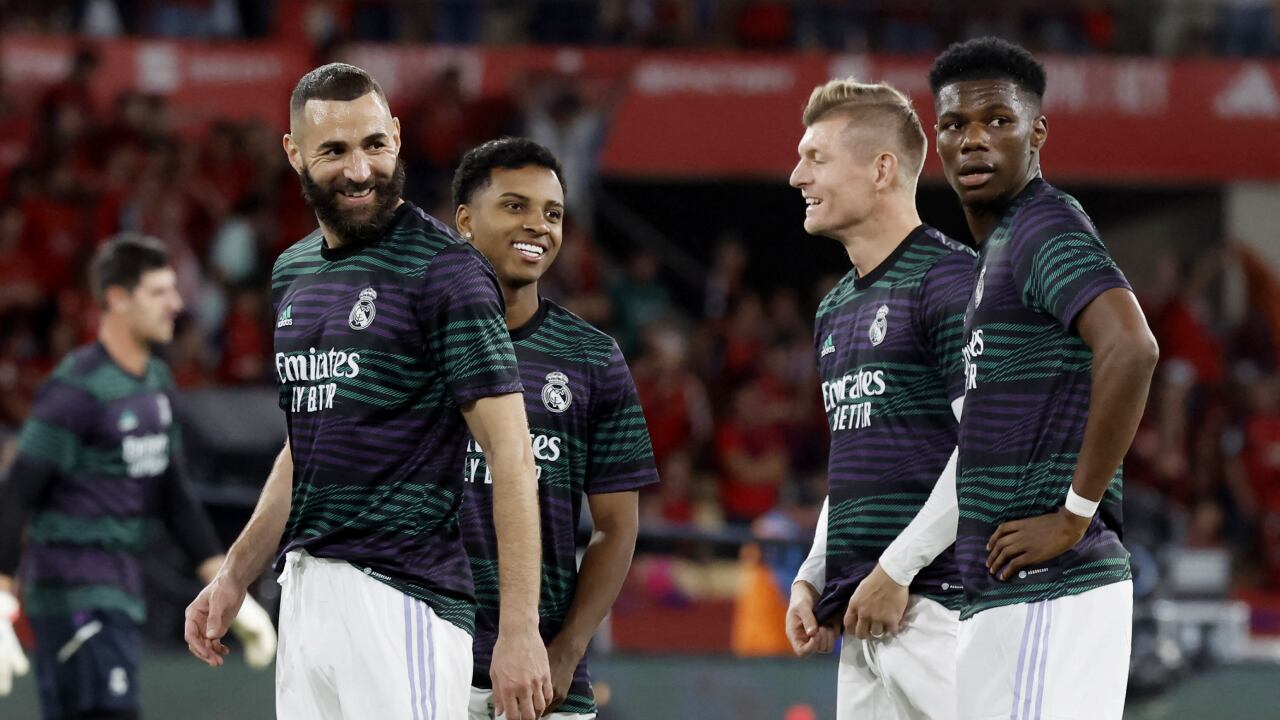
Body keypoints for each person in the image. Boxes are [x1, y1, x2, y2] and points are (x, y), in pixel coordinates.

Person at [182, 64, 553, 720]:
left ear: (398, 137)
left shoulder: (445, 272)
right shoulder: (292, 272)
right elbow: (309, 446)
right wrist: (236, 573)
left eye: (374, 145)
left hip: (402, 597)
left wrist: (520, 630)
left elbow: (513, 454)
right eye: (334, 151)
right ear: (294, 153)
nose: (360, 170)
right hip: (304, 595)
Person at [852, 38, 1160, 719]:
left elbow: (1132, 348)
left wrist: (1073, 516)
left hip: (1050, 587)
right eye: (957, 124)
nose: (975, 140)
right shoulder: (995, 253)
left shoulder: (1041, 226)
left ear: (1038, 133)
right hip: (1008, 595)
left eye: (999, 121)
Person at [0, 234, 276, 719]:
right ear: (117, 299)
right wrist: (1, 596)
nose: (175, 304)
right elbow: (19, 488)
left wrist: (228, 586)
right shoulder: (77, 388)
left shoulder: (156, 385)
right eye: (158, 292)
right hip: (73, 594)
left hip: (120, 592)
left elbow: (172, 494)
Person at [783, 78, 975, 719]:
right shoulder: (835, 308)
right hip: (864, 618)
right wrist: (814, 572)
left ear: (882, 168)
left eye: (816, 158)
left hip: (946, 606)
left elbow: (984, 451)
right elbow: (860, 461)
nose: (795, 176)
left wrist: (896, 570)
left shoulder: (955, 282)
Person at [452, 137, 659, 719]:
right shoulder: (415, 345)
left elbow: (616, 527)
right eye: (515, 206)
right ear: (465, 221)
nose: (538, 226)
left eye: (552, 213)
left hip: (541, 674)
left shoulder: (593, 357)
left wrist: (568, 647)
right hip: (425, 653)